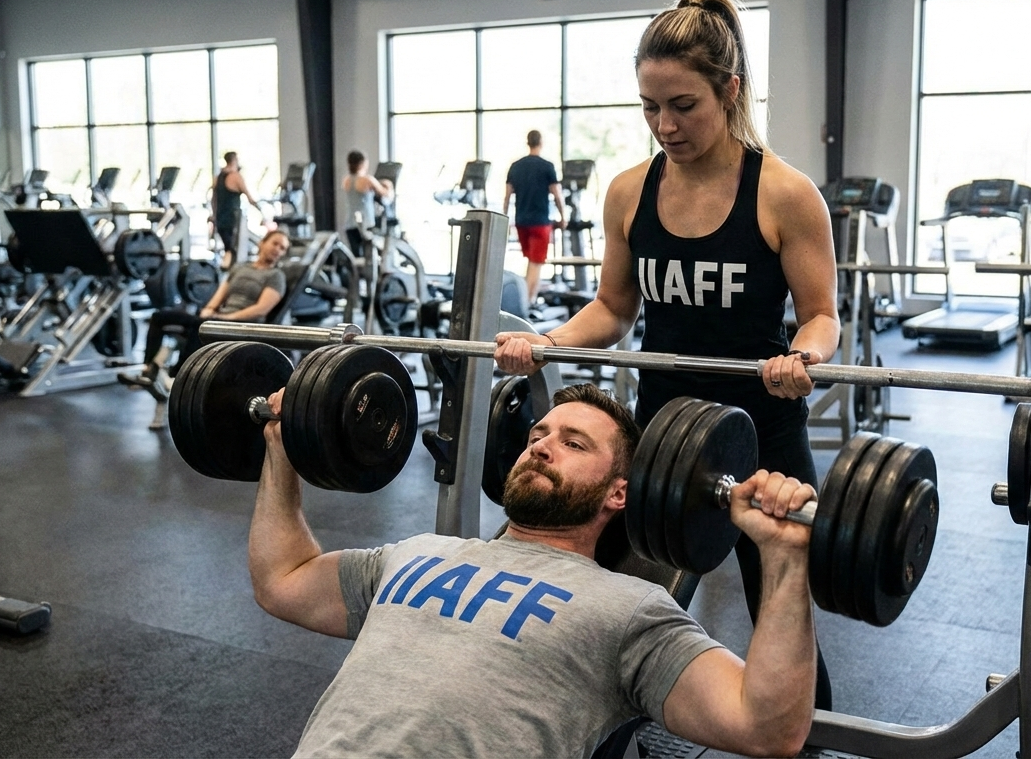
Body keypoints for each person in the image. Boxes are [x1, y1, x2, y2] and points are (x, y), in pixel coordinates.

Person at [493, 0, 838, 703]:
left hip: (763, 433)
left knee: (778, 606)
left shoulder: (784, 193)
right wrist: (546, 340)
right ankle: (601, 723)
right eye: (650, 107)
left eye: (683, 106)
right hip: (660, 429)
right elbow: (614, 309)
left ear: (729, 90)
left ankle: (806, 737)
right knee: (611, 588)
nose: (665, 126)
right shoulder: (630, 191)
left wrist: (800, 359)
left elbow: (821, 316)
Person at [252, 382, 818, 757]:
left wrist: (784, 556)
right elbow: (284, 580)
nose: (541, 448)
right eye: (537, 436)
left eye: (574, 444)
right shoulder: (419, 552)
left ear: (619, 492)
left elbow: (766, 726)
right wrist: (281, 448)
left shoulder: (627, 608)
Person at [119, 229, 289, 400]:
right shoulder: (240, 268)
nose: (277, 249)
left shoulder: (276, 276)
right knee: (160, 317)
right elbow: (221, 293)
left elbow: (261, 309)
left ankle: (178, 376)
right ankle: (148, 371)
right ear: (262, 243)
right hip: (220, 317)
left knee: (201, 326)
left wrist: (227, 318)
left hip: (244, 324)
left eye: (282, 248)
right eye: (275, 243)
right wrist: (210, 309)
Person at [503, 130, 568, 302]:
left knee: (532, 262)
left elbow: (507, 196)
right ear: (541, 143)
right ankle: (527, 302)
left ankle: (528, 300)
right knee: (536, 263)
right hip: (540, 222)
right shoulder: (547, 166)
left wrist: (504, 220)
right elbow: (557, 195)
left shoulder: (516, 166)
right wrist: (563, 217)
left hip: (521, 222)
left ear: (528, 142)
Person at [213, 151, 262, 270]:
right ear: (234, 160)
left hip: (220, 218)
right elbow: (250, 198)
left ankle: (228, 267)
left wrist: (214, 215)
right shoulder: (235, 176)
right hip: (232, 218)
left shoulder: (218, 177)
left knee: (229, 248)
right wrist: (261, 210)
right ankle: (231, 269)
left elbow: (214, 199)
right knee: (232, 248)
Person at [341, 150, 394, 254]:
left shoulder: (346, 180)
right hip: (366, 225)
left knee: (357, 257)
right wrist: (389, 185)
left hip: (350, 224)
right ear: (363, 163)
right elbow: (385, 194)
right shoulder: (367, 180)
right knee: (370, 255)